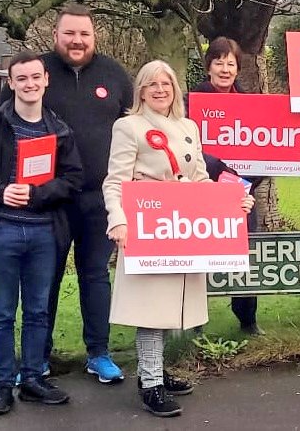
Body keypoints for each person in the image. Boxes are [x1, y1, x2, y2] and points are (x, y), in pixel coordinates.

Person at [103, 60, 254, 417]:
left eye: (166, 84)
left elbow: (200, 178)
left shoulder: (187, 127)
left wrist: (232, 201)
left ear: (175, 89)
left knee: (171, 305)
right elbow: (115, 181)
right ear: (140, 90)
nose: (160, 90)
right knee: (151, 308)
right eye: (152, 84)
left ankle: (151, 372)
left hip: (182, 227)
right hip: (149, 225)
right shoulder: (128, 127)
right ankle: (151, 384)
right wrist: (118, 220)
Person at [1, 3, 134, 383]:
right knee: (47, 279)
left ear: (95, 36)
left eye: (84, 34)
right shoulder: (38, 73)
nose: (77, 41)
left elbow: (135, 126)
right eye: (69, 34)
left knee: (94, 276)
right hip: (49, 201)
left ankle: (99, 353)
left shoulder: (114, 74)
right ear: (56, 35)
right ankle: (38, 359)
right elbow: (5, 126)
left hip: (99, 198)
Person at [0, 52, 83, 415]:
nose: (29, 84)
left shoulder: (59, 129)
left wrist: (38, 193)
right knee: (1, 312)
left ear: (46, 80)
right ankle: (1, 386)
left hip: (45, 233)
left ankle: (31, 379)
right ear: (11, 83)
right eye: (21, 79)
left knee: (38, 311)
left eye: (35, 77)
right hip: (1, 231)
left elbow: (74, 179)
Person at [186, 36, 264, 336]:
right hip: (202, 192)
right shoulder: (190, 104)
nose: (224, 68)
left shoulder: (250, 105)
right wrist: (217, 174)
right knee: (196, 256)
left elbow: (264, 154)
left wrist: (244, 183)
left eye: (230, 63)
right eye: (218, 62)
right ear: (208, 67)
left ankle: (248, 318)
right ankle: (194, 320)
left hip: (241, 195)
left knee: (246, 255)